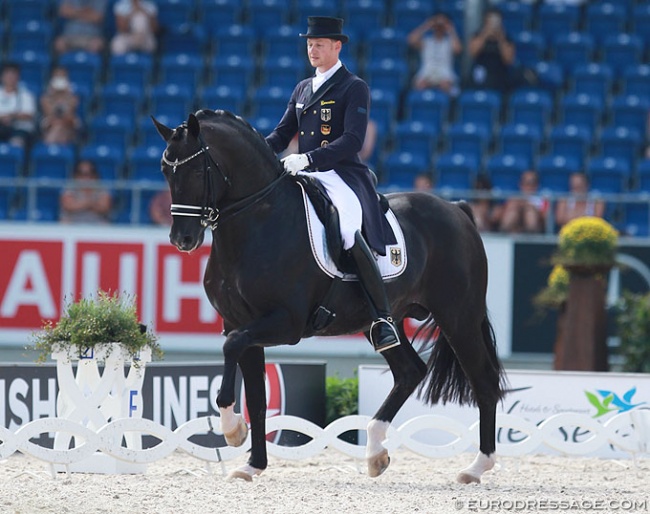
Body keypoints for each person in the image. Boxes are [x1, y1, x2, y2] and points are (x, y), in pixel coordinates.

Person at [264, 16, 400, 353]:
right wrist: (253, 153)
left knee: (347, 228)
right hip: (304, 171)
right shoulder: (301, 88)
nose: (313, 49)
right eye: (310, 44)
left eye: (320, 44)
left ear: (337, 46)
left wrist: (310, 160)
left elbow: (353, 140)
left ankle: (382, 318)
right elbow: (282, 134)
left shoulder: (353, 86)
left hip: (340, 174)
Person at [407, 11, 462, 94]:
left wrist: (450, 29)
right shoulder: (426, 42)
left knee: (446, 85)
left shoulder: (449, 42)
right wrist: (426, 26)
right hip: (427, 72)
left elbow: (458, 50)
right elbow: (411, 40)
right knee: (420, 85)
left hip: (444, 73)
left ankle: (448, 106)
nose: (439, 27)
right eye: (437, 25)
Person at [467, 8, 516, 93]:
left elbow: (508, 60)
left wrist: (501, 38)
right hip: (481, 72)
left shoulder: (507, 38)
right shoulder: (477, 35)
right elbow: (473, 53)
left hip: (500, 73)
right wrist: (485, 34)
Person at [39, 67, 81, 145]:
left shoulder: (73, 98)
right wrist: (54, 96)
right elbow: (50, 115)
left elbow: (69, 114)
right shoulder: (45, 98)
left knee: (60, 126)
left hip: (69, 124)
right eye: (57, 76)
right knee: (57, 126)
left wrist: (66, 96)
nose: (59, 80)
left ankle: (50, 148)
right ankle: (60, 151)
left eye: (62, 76)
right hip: (50, 124)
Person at [498, 169, 547, 233]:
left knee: (530, 213)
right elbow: (498, 215)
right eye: (525, 182)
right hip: (513, 230)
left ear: (537, 185)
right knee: (512, 211)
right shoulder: (514, 199)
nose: (528, 186)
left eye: (531, 183)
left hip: (535, 230)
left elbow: (546, 219)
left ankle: (530, 238)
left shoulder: (542, 199)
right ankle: (503, 235)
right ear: (520, 184)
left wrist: (532, 208)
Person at [0, 62, 37, 148]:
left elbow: (29, 114)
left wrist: (12, 117)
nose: (10, 78)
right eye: (7, 74)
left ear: (18, 77)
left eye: (13, 75)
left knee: (16, 142)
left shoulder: (26, 95)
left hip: (19, 129)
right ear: (2, 77)